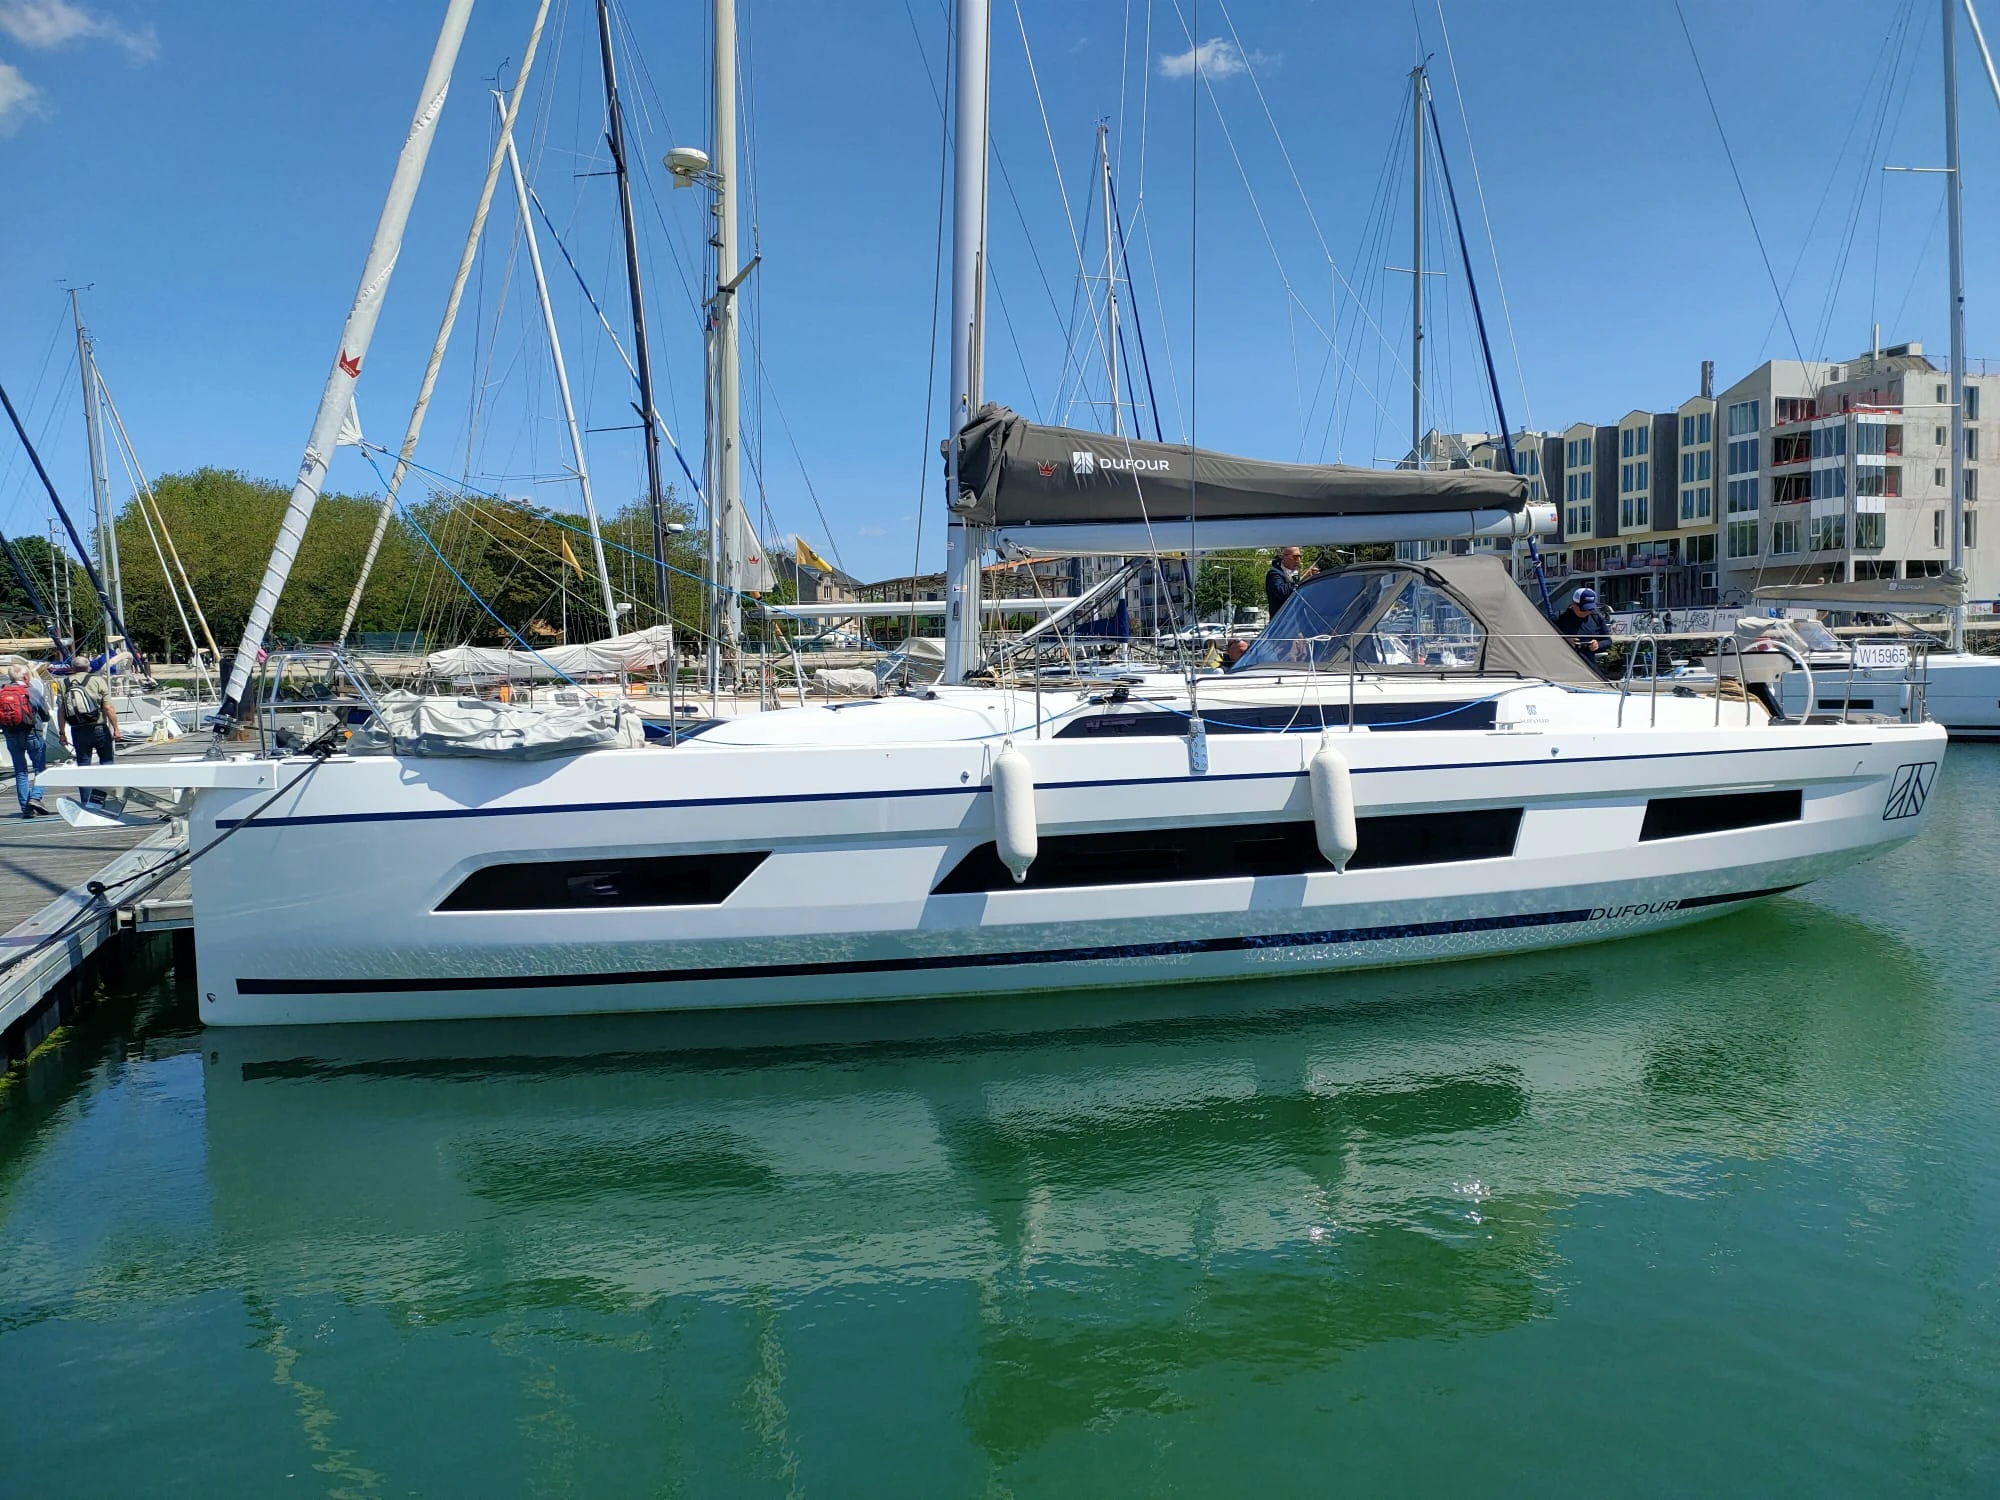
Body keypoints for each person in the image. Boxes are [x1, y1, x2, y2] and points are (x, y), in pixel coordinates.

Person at [57, 653, 118, 775]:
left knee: (83, 766)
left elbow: (61, 711)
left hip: (77, 729)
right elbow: (108, 707)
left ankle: (85, 788)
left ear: (72, 668)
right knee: (107, 763)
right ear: (88, 668)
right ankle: (108, 787)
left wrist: (62, 733)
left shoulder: (63, 683)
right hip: (99, 727)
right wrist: (116, 728)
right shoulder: (98, 680)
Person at [0, 665, 46, 818]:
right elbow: (45, 715)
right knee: (40, 768)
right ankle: (36, 797)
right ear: (26, 677)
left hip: (12, 736)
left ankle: (26, 809)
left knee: (21, 772)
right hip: (32, 734)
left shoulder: (2, 693)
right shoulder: (32, 691)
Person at [1554, 586, 1610, 664]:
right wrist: (1564, 641)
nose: (1587, 612)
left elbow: (1608, 641)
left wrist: (1598, 644)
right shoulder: (1559, 617)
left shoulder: (1596, 617)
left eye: (1590, 609)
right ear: (1574, 604)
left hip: (1588, 664)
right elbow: (1543, 639)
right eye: (1583, 609)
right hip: (1564, 663)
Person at [1265, 546, 1318, 617]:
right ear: (1283, 557)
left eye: (1300, 557)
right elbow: (1282, 591)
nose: (1298, 560)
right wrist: (1302, 579)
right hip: (1282, 620)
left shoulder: (1295, 574)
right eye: (1295, 557)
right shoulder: (1274, 573)